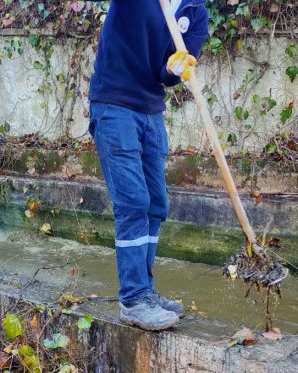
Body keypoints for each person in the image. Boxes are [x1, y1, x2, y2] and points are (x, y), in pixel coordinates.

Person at [86, 0, 208, 330]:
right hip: (114, 103)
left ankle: (146, 291)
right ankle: (133, 299)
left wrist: (175, 69)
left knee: (156, 205)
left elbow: (166, 74)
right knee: (133, 203)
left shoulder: (196, 12)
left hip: (151, 110)